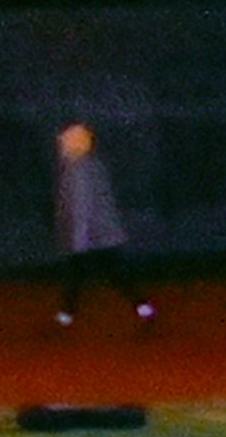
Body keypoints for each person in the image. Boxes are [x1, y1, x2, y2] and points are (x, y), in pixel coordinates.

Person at [52, 124, 153, 330]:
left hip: (93, 236)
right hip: (98, 234)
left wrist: (78, 240)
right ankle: (144, 310)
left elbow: (82, 206)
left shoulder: (79, 169)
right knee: (106, 273)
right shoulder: (88, 165)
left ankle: (65, 317)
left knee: (91, 274)